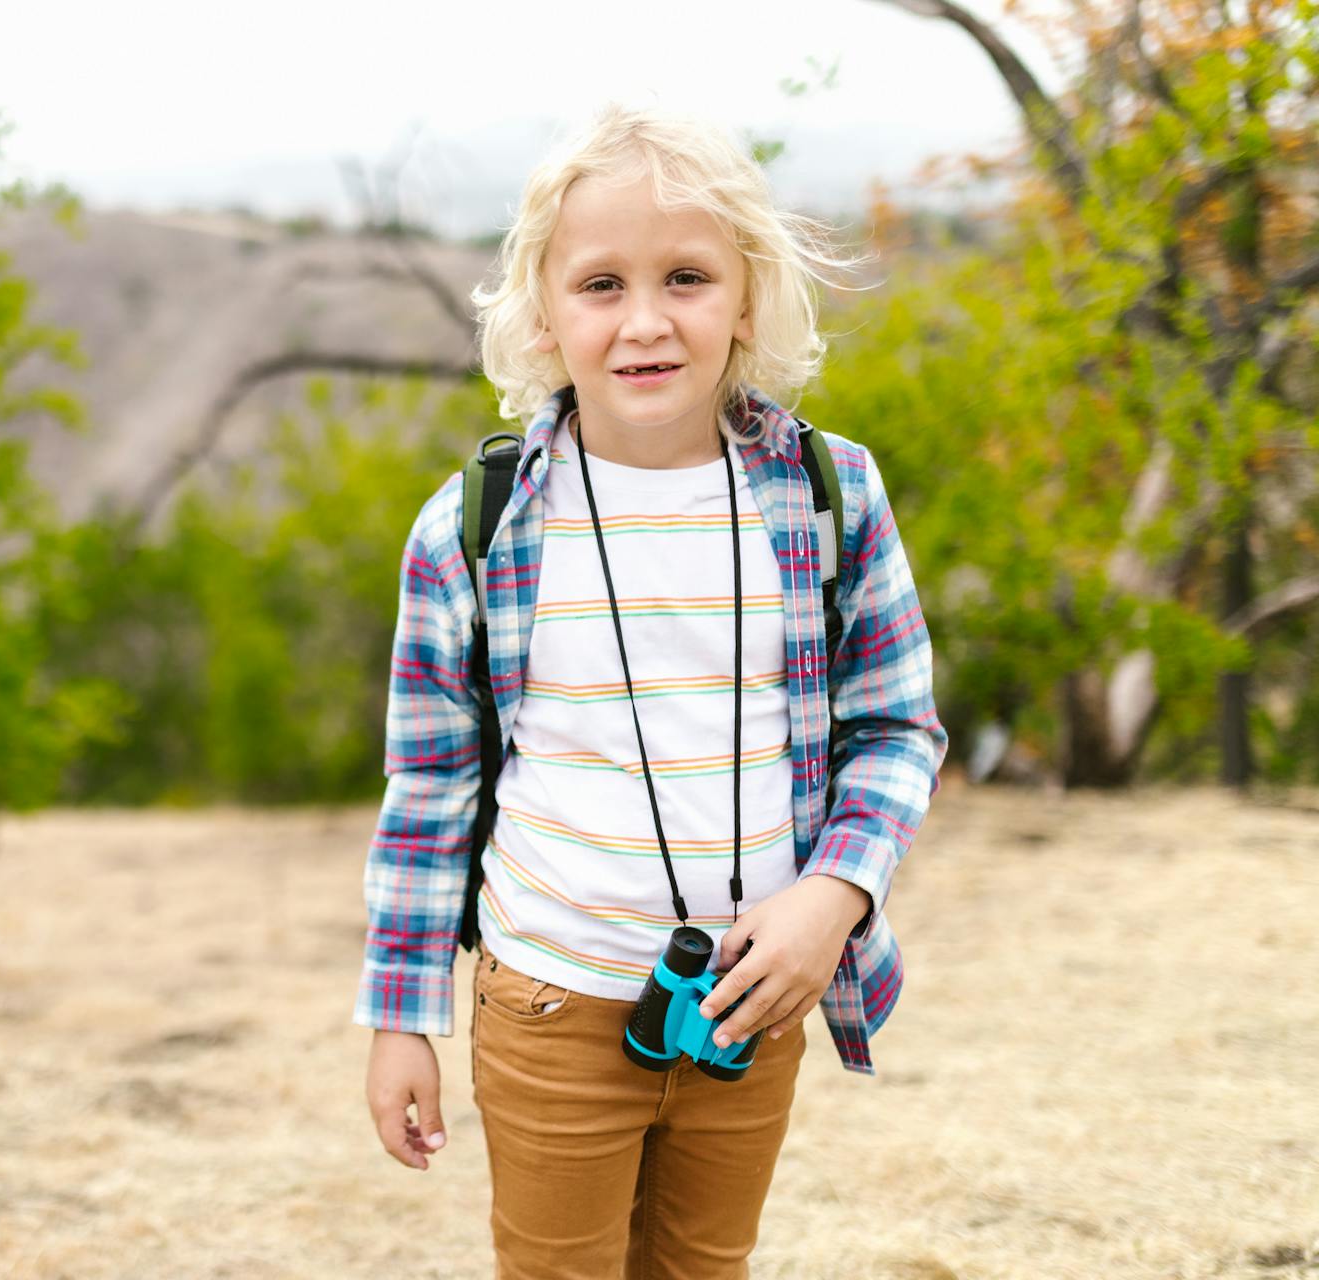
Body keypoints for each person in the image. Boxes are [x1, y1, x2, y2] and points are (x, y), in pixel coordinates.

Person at [352, 102, 950, 1278]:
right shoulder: (474, 528)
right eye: (600, 284)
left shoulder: (830, 496)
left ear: (747, 295)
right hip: (550, 995)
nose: (645, 321)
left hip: (750, 996)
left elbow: (895, 725)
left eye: (686, 276)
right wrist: (399, 1014)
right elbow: (430, 786)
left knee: (703, 1266)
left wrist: (833, 897)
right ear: (540, 310)